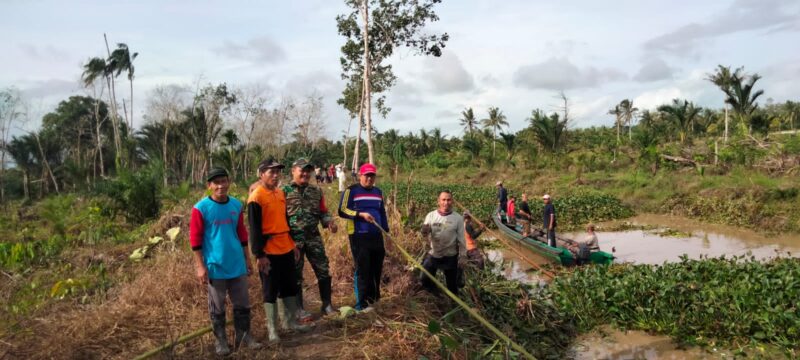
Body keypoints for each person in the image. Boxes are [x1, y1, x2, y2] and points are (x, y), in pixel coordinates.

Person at [190, 168, 261, 355]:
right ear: (209, 186)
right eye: (216, 182)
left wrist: (247, 259)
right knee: (217, 306)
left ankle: (244, 336)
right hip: (215, 266)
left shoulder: (236, 205)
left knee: (243, 303)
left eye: (224, 181)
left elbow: (242, 234)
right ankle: (221, 342)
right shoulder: (200, 208)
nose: (221, 185)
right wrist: (200, 266)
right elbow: (195, 240)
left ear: (229, 182)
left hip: (237, 263)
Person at [247, 158, 309, 345]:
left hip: (286, 246)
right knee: (270, 289)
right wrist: (260, 255)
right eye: (271, 172)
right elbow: (254, 229)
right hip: (269, 250)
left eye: (277, 172)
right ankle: (273, 330)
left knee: (289, 285)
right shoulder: (256, 197)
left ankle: (289, 323)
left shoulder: (281, 193)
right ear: (261, 174)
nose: (275, 176)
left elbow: (285, 221)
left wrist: (293, 244)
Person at [283, 158, 338, 321]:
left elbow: (323, 212)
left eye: (308, 171)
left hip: (313, 237)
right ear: (293, 170)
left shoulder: (316, 191)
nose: (305, 173)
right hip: (293, 241)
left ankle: (327, 304)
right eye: (302, 170)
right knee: (295, 274)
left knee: (323, 270)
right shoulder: (283, 191)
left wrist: (329, 222)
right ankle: (299, 309)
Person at [338, 163, 393, 311]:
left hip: (376, 235)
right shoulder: (351, 191)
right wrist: (360, 214)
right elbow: (342, 210)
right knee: (363, 269)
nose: (369, 178)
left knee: (376, 268)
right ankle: (361, 305)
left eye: (372, 175)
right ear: (360, 176)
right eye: (366, 175)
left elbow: (382, 213)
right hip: (358, 236)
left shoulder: (378, 192)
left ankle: (374, 300)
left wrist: (386, 232)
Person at [420, 190, 467, 295]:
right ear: (438, 201)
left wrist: (463, 256)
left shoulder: (458, 218)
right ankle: (436, 295)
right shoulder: (431, 216)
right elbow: (424, 234)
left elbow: (461, 240)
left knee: (452, 286)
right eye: (443, 200)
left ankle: (453, 303)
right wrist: (424, 231)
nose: (446, 203)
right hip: (434, 254)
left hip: (450, 256)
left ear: (452, 201)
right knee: (424, 279)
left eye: (449, 200)